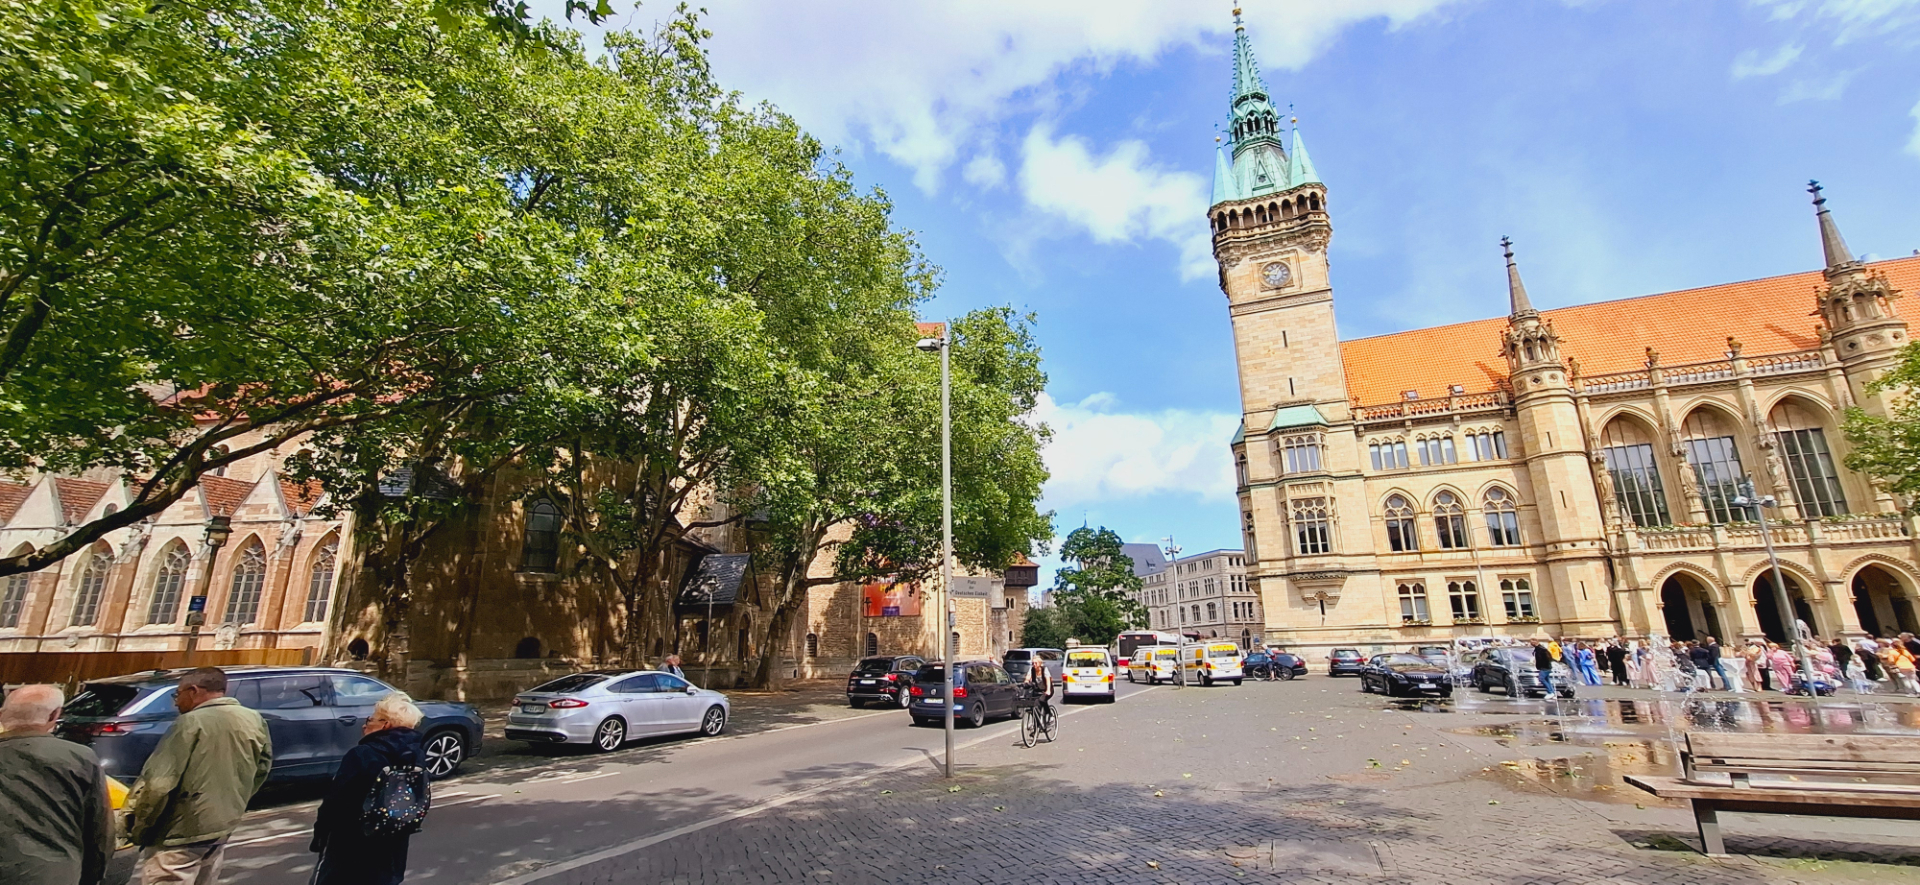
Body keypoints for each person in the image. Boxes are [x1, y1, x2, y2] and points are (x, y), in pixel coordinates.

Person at [126, 667, 272, 885]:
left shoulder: (189, 723)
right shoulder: (253, 719)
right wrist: (235, 802)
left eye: (177, 694)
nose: (176, 703)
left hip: (179, 831)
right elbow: (261, 769)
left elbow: (158, 784)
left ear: (193, 691)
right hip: (221, 826)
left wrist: (138, 827)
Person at [0, 685, 114, 885]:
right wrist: (92, 876)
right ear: (54, 715)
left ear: (2, 714)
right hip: (53, 874)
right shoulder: (80, 758)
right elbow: (99, 831)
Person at [311, 693, 429, 885]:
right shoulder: (416, 755)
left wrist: (320, 835)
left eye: (370, 720)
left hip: (351, 845)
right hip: (393, 844)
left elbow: (335, 801)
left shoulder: (362, 755)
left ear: (386, 725)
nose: (364, 725)